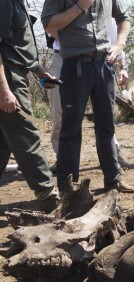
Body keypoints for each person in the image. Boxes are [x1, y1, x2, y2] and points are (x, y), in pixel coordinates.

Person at [41, 0, 134, 193]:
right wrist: (80, 6)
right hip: (74, 65)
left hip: (104, 65)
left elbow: (124, 17)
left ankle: (114, 179)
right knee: (70, 127)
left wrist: (119, 45)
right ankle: (69, 187)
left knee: (107, 125)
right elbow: (49, 24)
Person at [0, 0, 60, 213]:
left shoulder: (17, 3)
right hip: (8, 78)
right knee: (27, 135)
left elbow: (19, 48)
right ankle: (48, 196)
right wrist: (4, 91)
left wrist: (40, 72)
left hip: (16, 74)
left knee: (4, 142)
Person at [48, 19, 130, 174]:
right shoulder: (63, 3)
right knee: (61, 113)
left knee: (105, 115)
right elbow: (51, 28)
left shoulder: (106, 6)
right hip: (66, 59)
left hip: (100, 61)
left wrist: (123, 67)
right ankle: (63, 158)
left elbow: (114, 38)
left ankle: (113, 157)